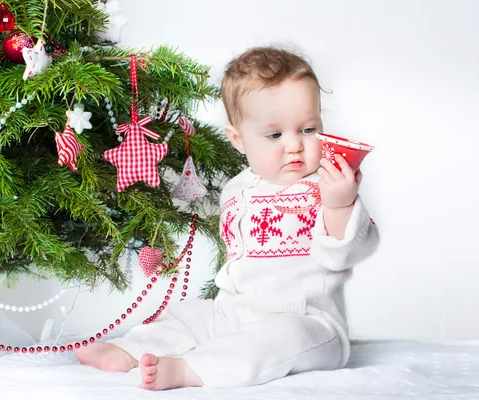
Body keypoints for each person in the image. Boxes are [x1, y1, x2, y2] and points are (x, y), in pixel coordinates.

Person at [69, 46, 380, 390]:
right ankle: (131, 349)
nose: (294, 145)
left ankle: (192, 368)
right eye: (275, 135)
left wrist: (341, 206)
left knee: (276, 338)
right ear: (238, 139)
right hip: (234, 311)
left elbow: (349, 252)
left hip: (307, 321)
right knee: (189, 316)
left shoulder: (329, 186)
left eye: (308, 129)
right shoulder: (237, 189)